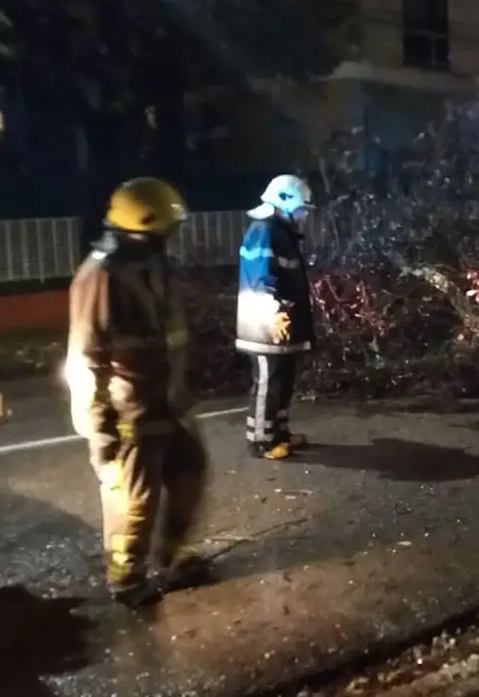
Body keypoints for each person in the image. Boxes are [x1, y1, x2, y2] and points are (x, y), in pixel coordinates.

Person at [64, 177, 215, 608]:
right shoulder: (100, 276)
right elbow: (86, 359)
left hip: (169, 401)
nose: (172, 237)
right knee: (134, 500)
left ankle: (172, 559)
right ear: (140, 229)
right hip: (131, 411)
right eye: (165, 229)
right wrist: (100, 432)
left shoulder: (153, 261)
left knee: (190, 474)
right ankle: (127, 579)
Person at [235, 174, 317, 460]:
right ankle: (261, 440)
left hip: (279, 324)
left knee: (283, 381)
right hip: (264, 324)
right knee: (268, 383)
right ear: (284, 202)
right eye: (301, 208)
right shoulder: (265, 231)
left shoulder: (280, 232)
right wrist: (274, 312)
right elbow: (261, 275)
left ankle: (278, 432)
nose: (304, 214)